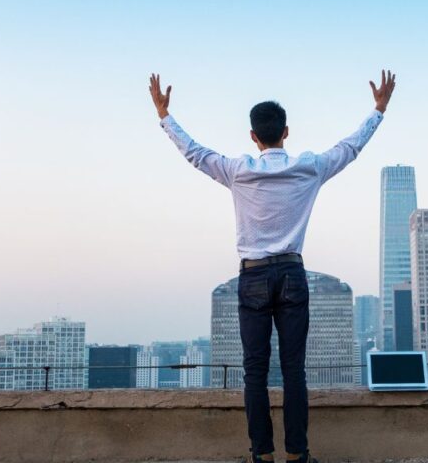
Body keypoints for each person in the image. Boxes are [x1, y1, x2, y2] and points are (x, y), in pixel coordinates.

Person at [148, 71, 396, 463]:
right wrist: (378, 110)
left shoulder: (238, 170)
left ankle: (261, 456)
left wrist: (164, 116)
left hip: (253, 276)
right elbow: (350, 148)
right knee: (294, 371)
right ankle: (298, 455)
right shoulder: (309, 167)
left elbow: (194, 152)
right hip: (293, 275)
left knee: (255, 372)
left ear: (253, 136)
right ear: (286, 133)